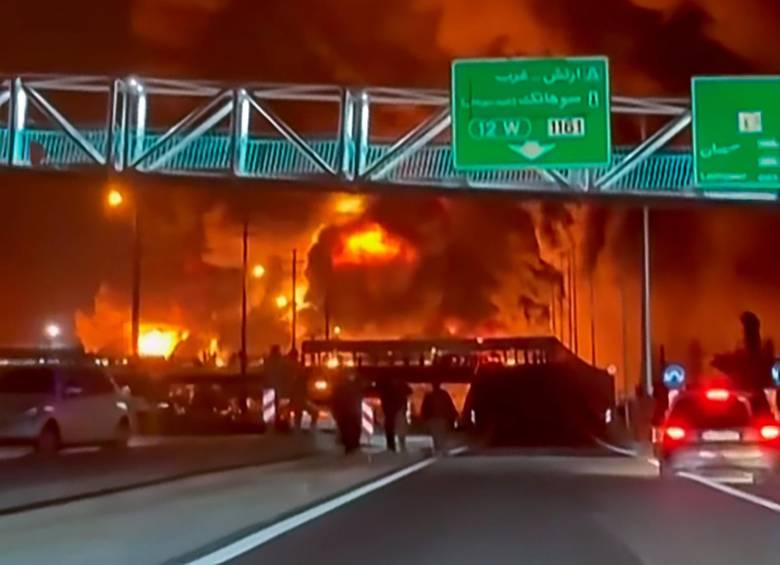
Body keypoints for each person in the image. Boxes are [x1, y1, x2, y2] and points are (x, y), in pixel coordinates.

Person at [421, 382, 458, 454]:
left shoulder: (431, 395)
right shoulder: (442, 395)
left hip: (437, 418)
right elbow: (449, 406)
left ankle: (439, 449)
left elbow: (424, 409)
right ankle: (441, 449)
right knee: (439, 434)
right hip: (438, 418)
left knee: (437, 435)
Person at [331, 371, 363, 454]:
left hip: (349, 412)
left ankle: (351, 446)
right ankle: (351, 446)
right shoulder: (353, 386)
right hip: (349, 412)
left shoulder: (344, 387)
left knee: (349, 430)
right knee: (350, 430)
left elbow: (335, 400)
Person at [378, 379, 412, 453]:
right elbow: (409, 391)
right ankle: (398, 446)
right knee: (398, 428)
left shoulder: (387, 390)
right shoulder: (396, 390)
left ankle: (392, 447)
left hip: (393, 412)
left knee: (392, 428)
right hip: (395, 411)